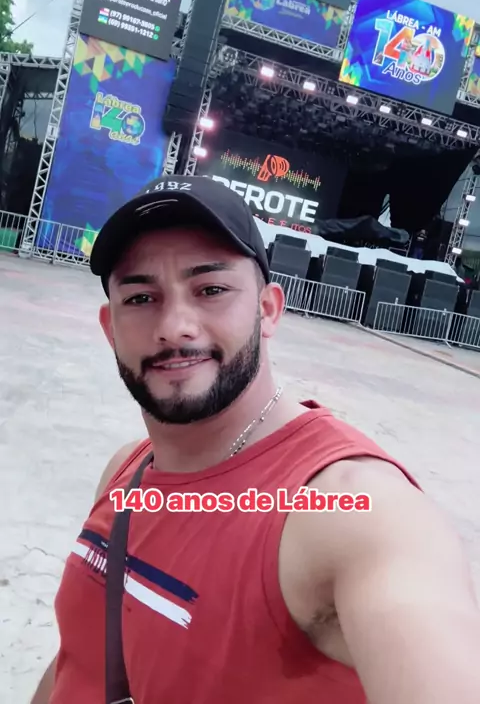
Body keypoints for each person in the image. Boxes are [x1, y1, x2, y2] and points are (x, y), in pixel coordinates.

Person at [31, 175, 480, 704]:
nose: (174, 325)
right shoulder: (126, 473)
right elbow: (79, 656)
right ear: (111, 328)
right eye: (141, 297)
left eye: (211, 290)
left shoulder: (351, 510)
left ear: (267, 310)